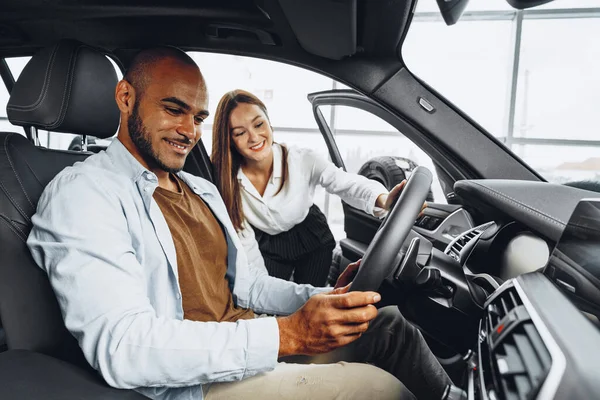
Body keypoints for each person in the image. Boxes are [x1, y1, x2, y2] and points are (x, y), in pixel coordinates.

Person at [27, 46, 451, 400]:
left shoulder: (200, 189)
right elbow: (124, 345)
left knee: (390, 326)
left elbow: (251, 287)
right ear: (125, 97)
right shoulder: (83, 193)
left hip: (247, 344)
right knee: (378, 391)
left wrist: (326, 296)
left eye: (197, 117)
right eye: (174, 110)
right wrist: (287, 336)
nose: (188, 130)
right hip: (194, 382)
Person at [211, 89, 407, 286]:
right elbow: (248, 254)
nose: (253, 137)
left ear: (269, 124)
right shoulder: (227, 182)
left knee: (312, 299)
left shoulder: (301, 159)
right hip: (268, 244)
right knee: (274, 300)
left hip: (312, 236)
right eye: (240, 133)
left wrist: (384, 199)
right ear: (230, 140)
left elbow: (346, 183)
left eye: (259, 124)